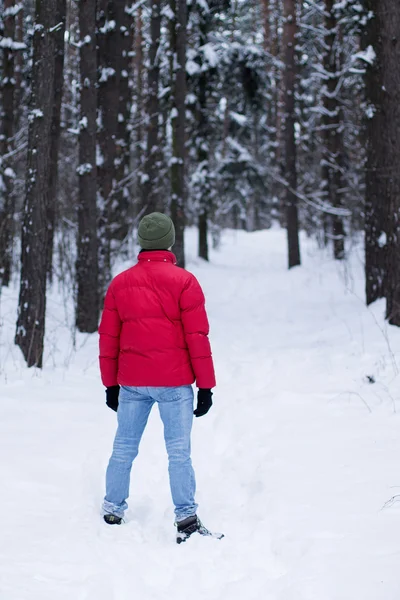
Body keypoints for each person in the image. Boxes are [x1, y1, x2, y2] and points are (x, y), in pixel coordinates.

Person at [99, 212, 216, 541]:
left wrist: (110, 384)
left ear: (141, 242)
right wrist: (205, 385)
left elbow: (109, 338)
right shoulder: (184, 281)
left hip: (132, 383)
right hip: (174, 384)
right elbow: (197, 337)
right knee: (179, 452)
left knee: (123, 448)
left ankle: (112, 509)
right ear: (170, 241)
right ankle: (187, 521)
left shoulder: (120, 283)